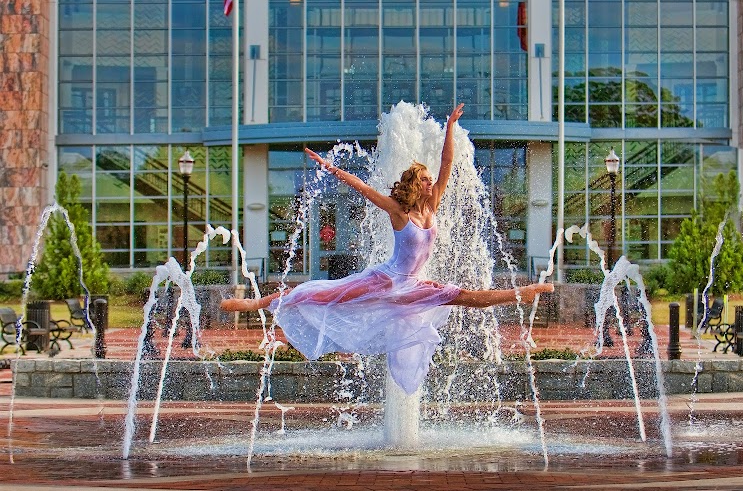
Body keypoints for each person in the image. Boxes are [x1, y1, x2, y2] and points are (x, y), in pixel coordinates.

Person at [220, 103, 554, 394]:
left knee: (463, 296)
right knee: (323, 295)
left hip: (413, 284)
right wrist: (332, 169)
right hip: (387, 279)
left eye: (430, 179)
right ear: (415, 184)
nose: (430, 182)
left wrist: (450, 127)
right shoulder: (399, 212)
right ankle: (256, 303)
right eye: (424, 179)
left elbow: (447, 164)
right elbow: (364, 188)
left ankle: (520, 294)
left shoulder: (433, 204)